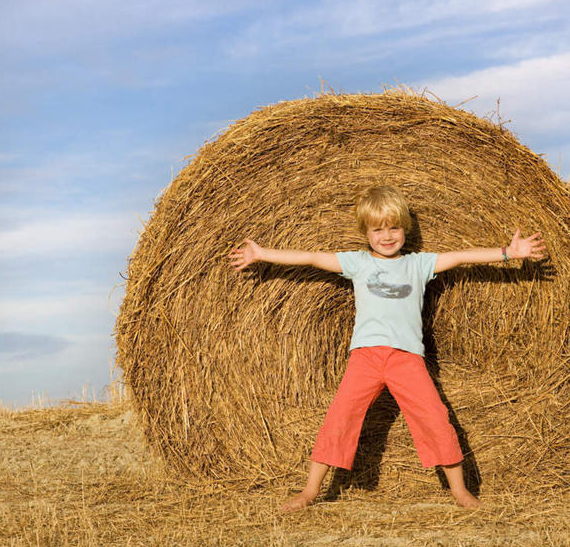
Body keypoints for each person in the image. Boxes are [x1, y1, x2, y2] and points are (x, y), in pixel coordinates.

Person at [228, 185, 546, 511]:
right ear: (366, 232)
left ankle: (461, 492)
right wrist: (261, 254)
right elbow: (311, 258)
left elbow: (461, 257)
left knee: (435, 418)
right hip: (365, 357)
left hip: (406, 358)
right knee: (339, 418)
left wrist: (508, 253)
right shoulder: (358, 262)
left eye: (394, 228)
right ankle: (310, 492)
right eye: (378, 229)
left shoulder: (418, 264)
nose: (387, 236)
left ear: (405, 228)